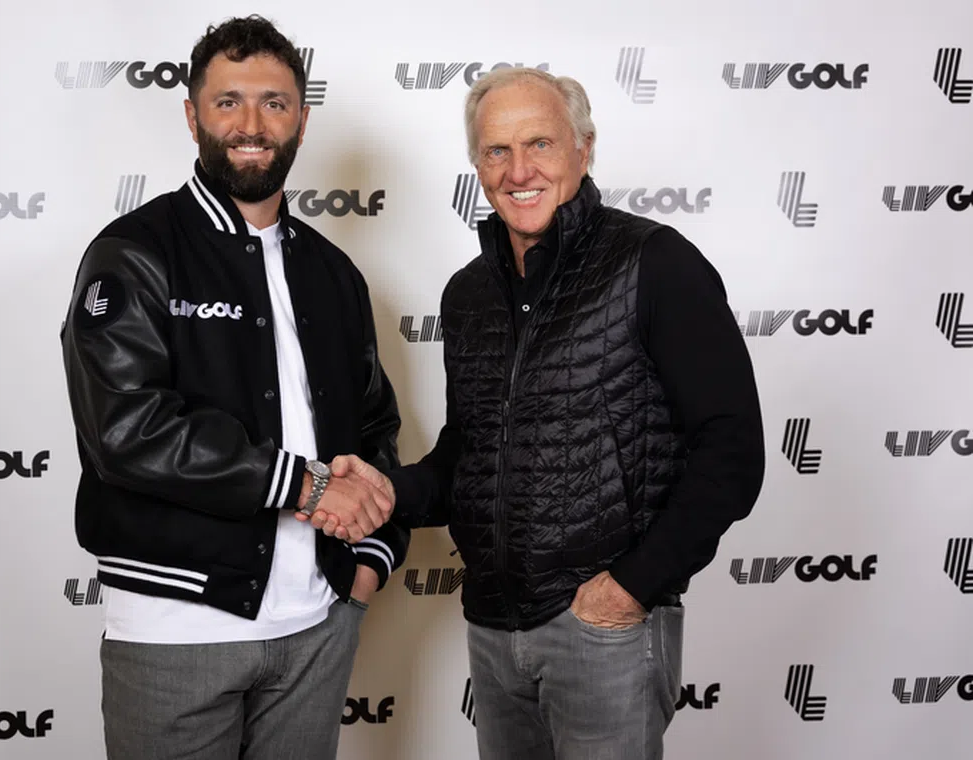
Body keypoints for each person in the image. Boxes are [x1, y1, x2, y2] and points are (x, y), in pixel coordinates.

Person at [324, 67, 765, 759]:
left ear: (583, 151)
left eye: (540, 144)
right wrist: (385, 491)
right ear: (477, 165)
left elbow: (732, 451)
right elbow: (469, 454)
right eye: (496, 151)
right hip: (494, 632)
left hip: (602, 629)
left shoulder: (655, 262)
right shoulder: (468, 294)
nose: (518, 169)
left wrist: (631, 588)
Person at [60, 15, 408, 760]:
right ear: (192, 115)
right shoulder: (134, 252)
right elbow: (126, 430)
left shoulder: (333, 271)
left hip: (317, 627)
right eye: (228, 102)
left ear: (302, 120)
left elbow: (375, 426)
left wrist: (371, 563)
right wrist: (305, 488)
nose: (252, 125)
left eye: (275, 103)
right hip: (177, 633)